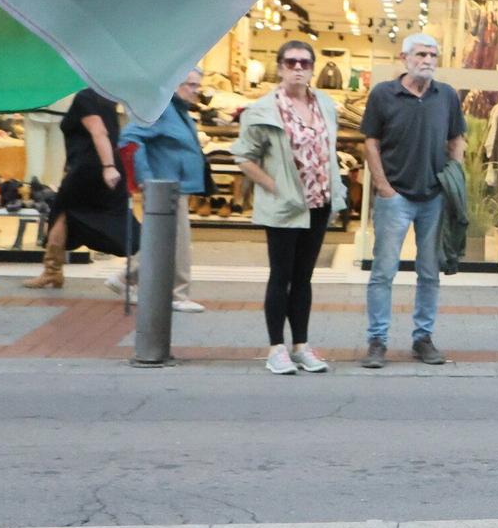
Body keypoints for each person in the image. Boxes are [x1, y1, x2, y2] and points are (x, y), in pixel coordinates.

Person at [232, 40, 344, 376]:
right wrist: (272, 185)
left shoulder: (324, 104)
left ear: (312, 69)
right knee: (281, 275)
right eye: (292, 62)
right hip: (284, 206)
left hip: (318, 203)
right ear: (280, 67)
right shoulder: (264, 109)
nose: (298, 68)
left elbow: (329, 150)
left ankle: (301, 345)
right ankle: (276, 348)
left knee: (304, 277)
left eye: (305, 63)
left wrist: (335, 191)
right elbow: (243, 157)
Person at [359, 33, 465, 368]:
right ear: (404, 57)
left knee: (429, 273)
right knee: (383, 272)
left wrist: (454, 176)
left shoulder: (446, 95)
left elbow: (456, 138)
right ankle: (377, 341)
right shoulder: (383, 94)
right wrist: (382, 185)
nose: (428, 60)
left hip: (433, 197)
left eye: (433, 55)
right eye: (421, 54)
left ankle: (423, 338)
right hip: (395, 196)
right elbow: (370, 142)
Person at [22, 88, 140, 292]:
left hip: (90, 169)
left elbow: (99, 131)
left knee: (62, 213)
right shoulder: (110, 98)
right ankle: (142, 256)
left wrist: (108, 167)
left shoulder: (86, 97)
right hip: (100, 167)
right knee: (108, 213)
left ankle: (52, 271)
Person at [121, 70, 211, 314]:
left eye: (197, 85)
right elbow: (129, 137)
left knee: (163, 239)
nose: (195, 90)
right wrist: (145, 177)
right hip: (165, 184)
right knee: (178, 242)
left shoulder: (179, 111)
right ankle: (178, 294)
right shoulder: (162, 110)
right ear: (175, 84)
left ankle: (125, 277)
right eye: (190, 84)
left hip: (174, 184)